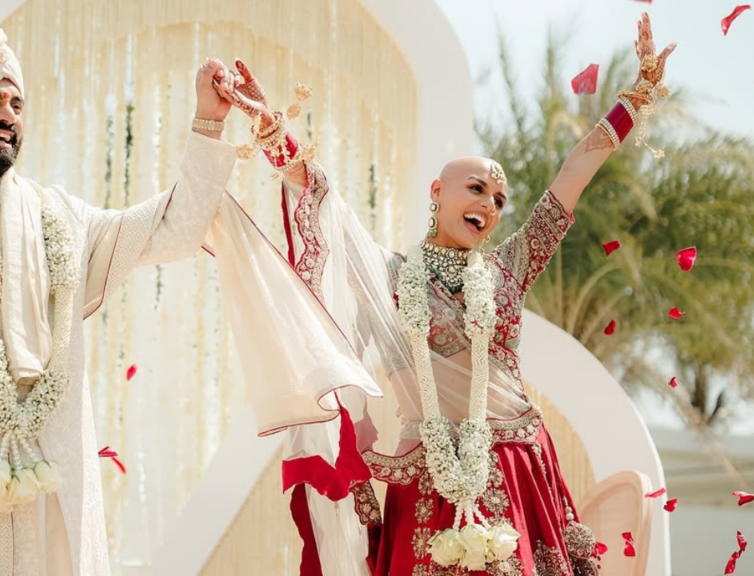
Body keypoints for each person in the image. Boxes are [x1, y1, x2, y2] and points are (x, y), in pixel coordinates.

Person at [204, 13, 674, 576]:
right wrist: (275, 133)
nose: (489, 205)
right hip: (427, 473)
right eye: (476, 188)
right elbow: (327, 208)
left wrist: (637, 95)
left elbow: (573, 172)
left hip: (517, 467)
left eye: (499, 199)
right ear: (438, 192)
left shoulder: (511, 266)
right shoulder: (388, 276)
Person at [0, 10, 237, 575]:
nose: (8, 115)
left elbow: (173, 228)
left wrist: (208, 121)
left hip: (58, 491)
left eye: (16, 104)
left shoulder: (59, 216)